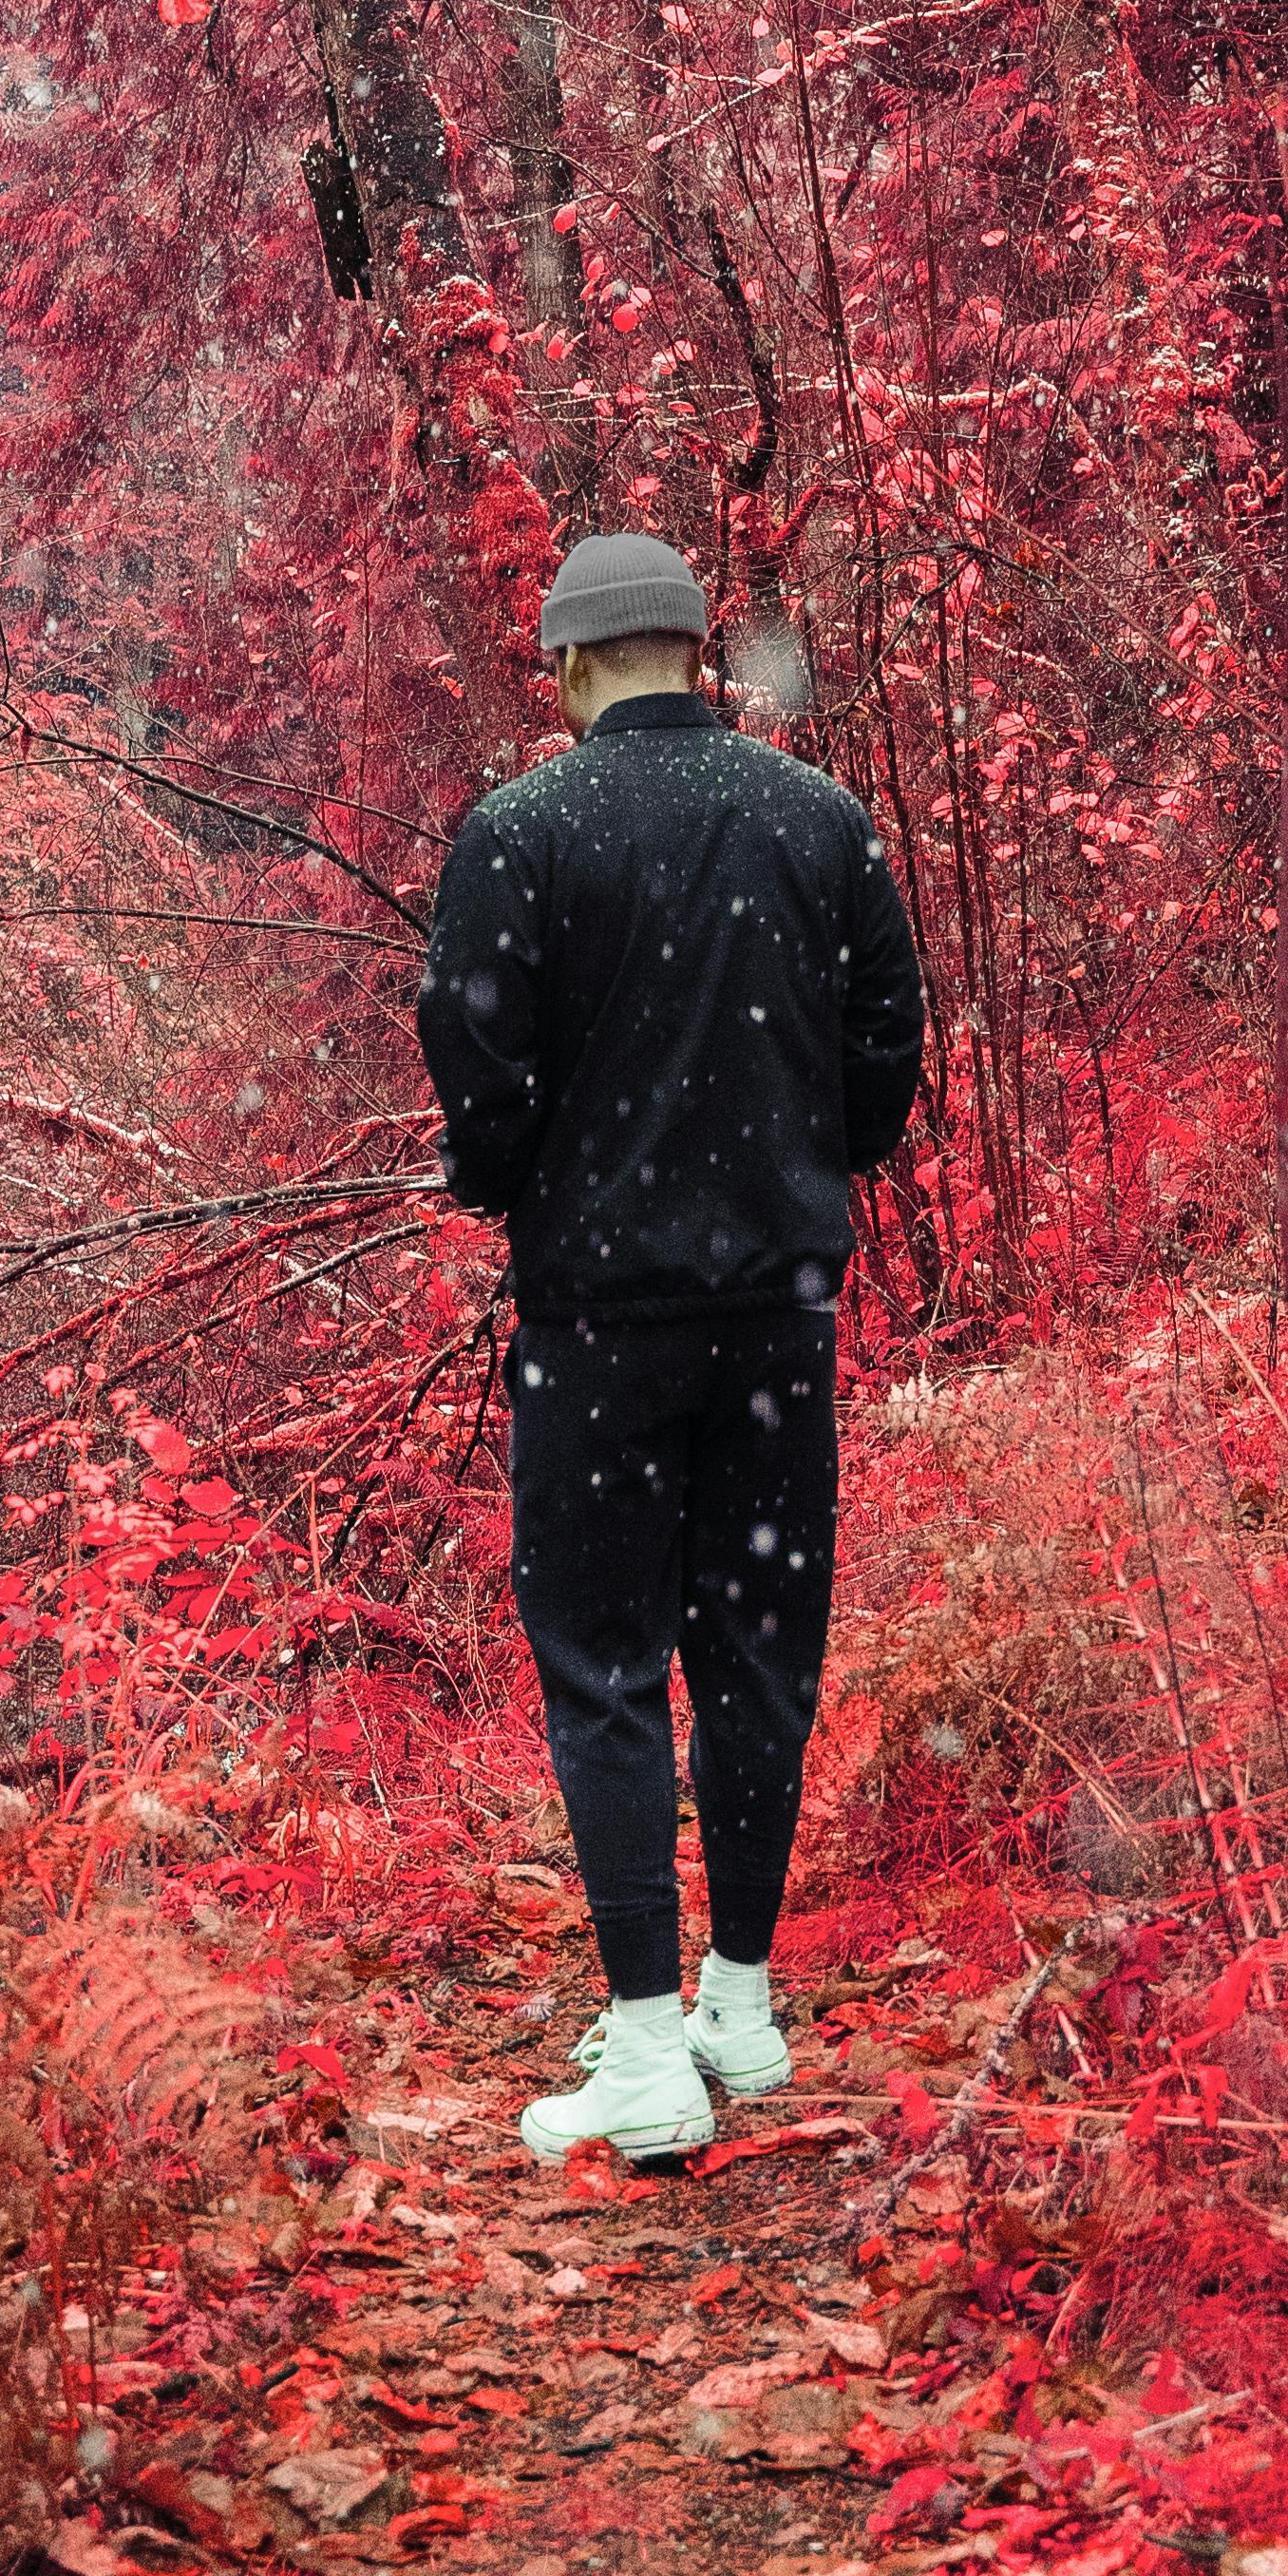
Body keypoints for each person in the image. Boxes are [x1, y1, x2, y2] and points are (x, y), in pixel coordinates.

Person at [417, 530, 927, 2166]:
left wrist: (514, 1180)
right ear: (701, 655)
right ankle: (742, 2005)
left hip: (598, 1327)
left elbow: (477, 1074)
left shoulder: (519, 834)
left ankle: (645, 2047)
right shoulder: (819, 821)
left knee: (606, 1665)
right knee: (758, 1654)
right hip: (778, 1315)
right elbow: (889, 1047)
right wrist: (811, 1159)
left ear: (571, 667)